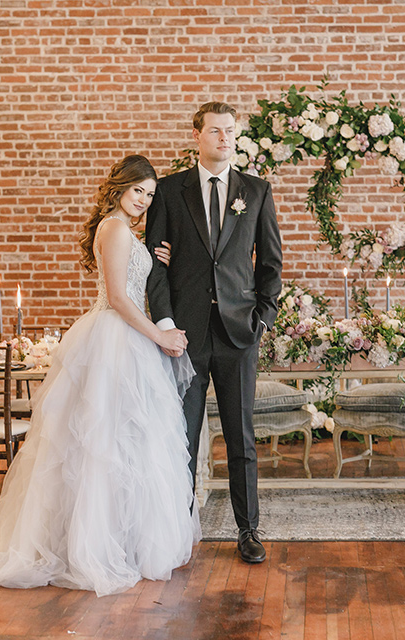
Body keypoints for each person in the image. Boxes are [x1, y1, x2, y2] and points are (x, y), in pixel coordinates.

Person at [0, 155, 201, 596]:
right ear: (119, 188)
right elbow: (117, 297)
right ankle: (93, 545)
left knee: (125, 441)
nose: (143, 201)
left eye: (149, 195)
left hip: (126, 339)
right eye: (137, 192)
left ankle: (123, 540)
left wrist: (156, 256)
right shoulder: (113, 228)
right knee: (101, 444)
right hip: (117, 335)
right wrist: (158, 336)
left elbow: (132, 278)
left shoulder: (125, 231)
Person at [146, 102, 283, 564]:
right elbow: (155, 269)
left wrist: (261, 320)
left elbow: (270, 265)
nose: (224, 138)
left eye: (230, 131)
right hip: (183, 336)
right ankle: (178, 529)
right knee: (180, 436)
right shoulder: (168, 191)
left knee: (241, 437)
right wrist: (165, 324)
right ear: (197, 136)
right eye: (215, 131)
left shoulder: (256, 191)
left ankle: (248, 529)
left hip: (237, 335)